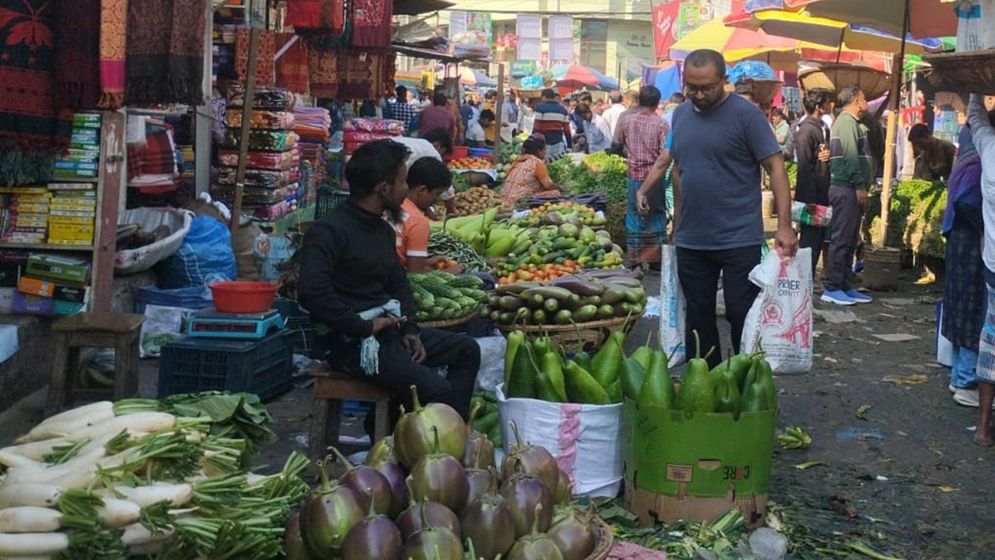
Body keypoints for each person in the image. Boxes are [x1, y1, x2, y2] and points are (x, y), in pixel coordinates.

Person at [298, 140, 481, 427]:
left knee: (467, 349)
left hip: (388, 333)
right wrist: (363, 326)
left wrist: (410, 329)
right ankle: (425, 451)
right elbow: (312, 292)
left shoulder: (382, 231)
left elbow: (400, 284)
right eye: (402, 181)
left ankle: (418, 431)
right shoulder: (329, 231)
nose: (405, 188)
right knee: (437, 389)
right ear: (384, 188)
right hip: (351, 343)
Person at [657, 49, 797, 368]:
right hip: (693, 238)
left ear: (724, 81)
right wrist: (677, 224)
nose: (700, 94)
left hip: (739, 236)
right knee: (698, 316)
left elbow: (775, 165)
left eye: (707, 87)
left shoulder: (746, 115)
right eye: (692, 87)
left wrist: (785, 225)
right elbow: (679, 169)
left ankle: (742, 377)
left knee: (740, 312)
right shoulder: (680, 115)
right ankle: (706, 381)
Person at [941, 123, 987, 408]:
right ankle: (967, 378)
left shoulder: (966, 159)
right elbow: (971, 203)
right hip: (971, 240)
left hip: (961, 238)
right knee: (973, 307)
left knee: (961, 306)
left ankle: (960, 374)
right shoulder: (978, 165)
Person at [821, 87, 874, 306]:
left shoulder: (854, 124)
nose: (866, 101)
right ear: (855, 100)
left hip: (851, 188)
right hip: (847, 188)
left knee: (851, 239)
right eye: (864, 97)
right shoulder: (846, 123)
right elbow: (851, 157)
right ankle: (833, 286)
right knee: (842, 238)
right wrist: (859, 186)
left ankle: (844, 284)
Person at [968, 94, 995, 444]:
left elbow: (975, 118)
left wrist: (975, 88)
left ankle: (983, 427)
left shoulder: (989, 150)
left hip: (993, 264)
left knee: (991, 342)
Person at [618, 86, 669, 272]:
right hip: (654, 177)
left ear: (639, 101)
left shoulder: (627, 120)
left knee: (634, 215)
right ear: (657, 103)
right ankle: (655, 261)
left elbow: (620, 143)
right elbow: (665, 154)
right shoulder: (662, 124)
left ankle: (634, 261)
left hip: (633, 175)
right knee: (656, 215)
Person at [394, 157, 462, 274]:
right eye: (437, 194)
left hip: (385, 273)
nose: (436, 200)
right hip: (397, 281)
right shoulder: (418, 221)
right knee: (485, 278)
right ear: (422, 190)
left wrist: (425, 262)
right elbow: (416, 273)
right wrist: (450, 272)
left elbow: (401, 257)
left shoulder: (394, 204)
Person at [794, 88, 834, 277]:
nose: (830, 105)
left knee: (817, 239)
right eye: (827, 101)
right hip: (812, 194)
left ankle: (807, 277)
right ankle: (803, 277)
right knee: (809, 240)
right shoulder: (806, 131)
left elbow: (819, 158)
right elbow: (803, 166)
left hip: (822, 191)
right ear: (819, 106)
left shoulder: (822, 127)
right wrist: (808, 198)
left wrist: (826, 157)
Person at [392, 130, 457, 216]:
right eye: (443, 154)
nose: (441, 159)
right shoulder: (432, 153)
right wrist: (451, 211)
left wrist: (426, 208)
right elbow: (446, 187)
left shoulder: (420, 144)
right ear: (438, 146)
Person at [500, 136, 561, 210]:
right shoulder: (536, 162)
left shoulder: (517, 162)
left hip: (503, 201)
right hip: (520, 202)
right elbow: (549, 185)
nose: (545, 153)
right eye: (545, 150)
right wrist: (561, 189)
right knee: (556, 193)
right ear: (539, 151)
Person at [533, 88, 572, 160]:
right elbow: (567, 130)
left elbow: (536, 128)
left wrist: (533, 141)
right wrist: (569, 145)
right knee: (557, 165)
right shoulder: (563, 109)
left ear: (544, 97)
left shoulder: (540, 108)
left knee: (545, 165)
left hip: (544, 144)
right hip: (558, 142)